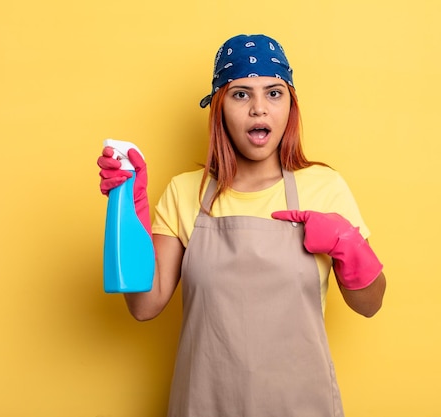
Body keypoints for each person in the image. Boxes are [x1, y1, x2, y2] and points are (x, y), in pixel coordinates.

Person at [97, 34, 386, 417]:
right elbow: (145, 307)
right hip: (205, 404)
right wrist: (128, 211)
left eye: (274, 93)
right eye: (241, 94)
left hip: (301, 405)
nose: (259, 109)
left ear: (290, 105)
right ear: (218, 107)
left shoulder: (324, 187)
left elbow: (370, 304)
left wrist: (348, 244)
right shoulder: (185, 193)